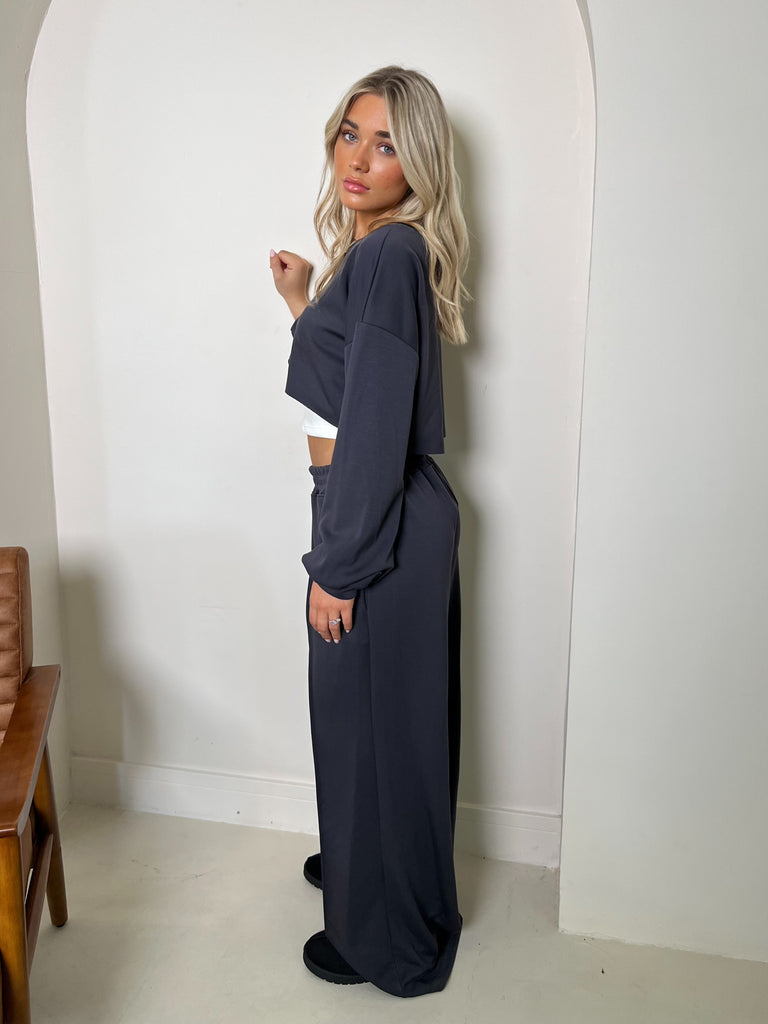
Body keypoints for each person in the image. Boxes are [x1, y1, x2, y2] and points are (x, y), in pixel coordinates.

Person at [269, 65, 469, 998]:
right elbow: (352, 378)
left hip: (373, 514)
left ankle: (383, 932)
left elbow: (377, 423)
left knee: (374, 732)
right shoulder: (376, 250)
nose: (359, 157)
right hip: (369, 503)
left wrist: (340, 566)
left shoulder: (390, 254)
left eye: (386, 143)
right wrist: (303, 302)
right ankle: (368, 869)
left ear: (417, 160)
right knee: (371, 723)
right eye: (351, 133)